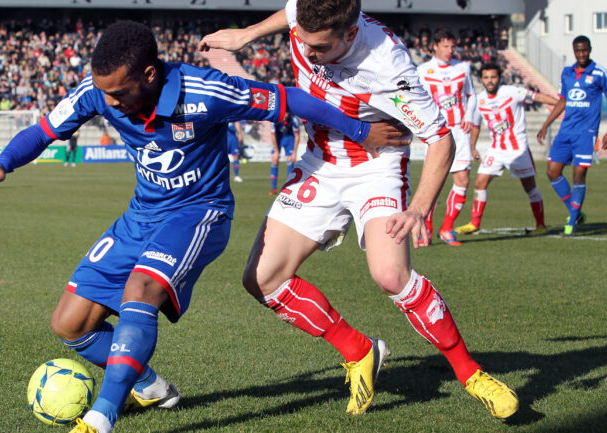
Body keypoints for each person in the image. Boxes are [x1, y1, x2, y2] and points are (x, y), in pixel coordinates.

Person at [0, 21, 405, 433]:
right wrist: (1, 163)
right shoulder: (97, 92)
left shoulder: (205, 91)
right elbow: (45, 131)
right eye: (105, 93)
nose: (110, 103)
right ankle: (151, 387)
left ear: (150, 75)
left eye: (119, 93)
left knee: (142, 289)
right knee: (70, 323)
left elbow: (289, 99)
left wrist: (358, 130)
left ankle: (101, 416)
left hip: (199, 212)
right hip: (141, 215)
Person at [200, 0, 518, 420]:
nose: (308, 54)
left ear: (350, 34)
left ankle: (471, 373)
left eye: (320, 47)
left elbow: (441, 139)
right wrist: (247, 35)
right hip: (319, 161)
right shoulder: (310, 14)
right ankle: (359, 350)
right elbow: (293, 11)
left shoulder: (389, 65)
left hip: (376, 165)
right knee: (262, 279)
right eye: (304, 42)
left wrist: (421, 208)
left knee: (390, 275)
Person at [455, 63, 560, 236]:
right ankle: (475, 224)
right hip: (496, 149)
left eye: (493, 77)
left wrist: (559, 103)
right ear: (481, 79)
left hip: (517, 149)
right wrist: (473, 147)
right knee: (480, 183)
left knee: (529, 186)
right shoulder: (479, 100)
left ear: (500, 78)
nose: (490, 81)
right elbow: (475, 125)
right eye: (486, 78)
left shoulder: (512, 92)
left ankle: (541, 224)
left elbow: (537, 97)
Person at [536, 35, 607, 236]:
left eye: (585, 50)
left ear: (590, 49)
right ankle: (574, 212)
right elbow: (562, 101)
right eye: (578, 51)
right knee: (552, 172)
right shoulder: (567, 73)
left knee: (578, 175)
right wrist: (546, 124)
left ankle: (572, 223)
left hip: (586, 133)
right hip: (566, 131)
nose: (582, 54)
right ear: (574, 51)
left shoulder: (600, 73)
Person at [417, 29, 478, 246]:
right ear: (435, 46)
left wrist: (469, 115)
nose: (450, 50)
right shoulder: (423, 71)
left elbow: (471, 95)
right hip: (436, 133)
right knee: (434, 182)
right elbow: (417, 101)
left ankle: (447, 228)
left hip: (460, 132)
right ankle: (428, 229)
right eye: (445, 46)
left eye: (452, 46)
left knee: (462, 180)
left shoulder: (463, 68)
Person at [269, 112, 300, 194]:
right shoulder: (275, 118)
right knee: (274, 159)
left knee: (290, 160)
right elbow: (272, 135)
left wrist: (294, 152)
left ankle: (289, 188)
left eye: (286, 113)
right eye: (284, 113)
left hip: (289, 138)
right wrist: (276, 151)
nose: (285, 115)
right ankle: (274, 188)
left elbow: (297, 136)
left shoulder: (293, 119)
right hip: (278, 138)